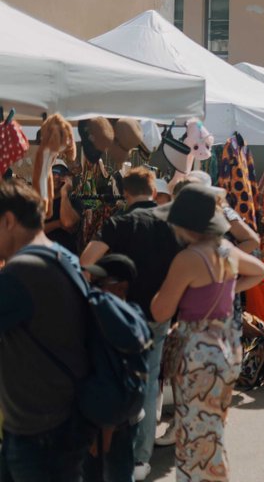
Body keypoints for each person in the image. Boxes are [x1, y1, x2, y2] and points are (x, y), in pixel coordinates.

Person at [150, 185, 264, 482]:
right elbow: (260, 271)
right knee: (212, 432)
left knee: (193, 439)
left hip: (196, 354)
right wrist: (229, 291)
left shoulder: (188, 259)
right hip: (225, 348)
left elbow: (160, 311)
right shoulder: (226, 251)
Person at [79, 167, 183, 481]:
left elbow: (85, 262)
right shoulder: (173, 226)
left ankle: (117, 453)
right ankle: (142, 458)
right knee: (151, 382)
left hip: (122, 316)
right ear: (153, 191)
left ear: (125, 194)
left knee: (119, 381)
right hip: (161, 313)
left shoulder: (119, 224)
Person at [0, 179, 91, 482]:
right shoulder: (61, 257)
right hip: (60, 424)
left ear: (9, 220)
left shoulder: (22, 272)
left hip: (39, 434)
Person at [81, 254, 139, 482]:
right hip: (120, 417)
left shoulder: (112, 323)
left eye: (98, 283)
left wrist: (102, 432)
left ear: (120, 287)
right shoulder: (129, 315)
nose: (92, 288)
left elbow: (112, 378)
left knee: (112, 473)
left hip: (108, 422)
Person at [43, 159, 85, 255]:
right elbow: (33, 230)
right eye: (54, 172)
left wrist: (64, 193)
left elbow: (67, 222)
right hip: (44, 257)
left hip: (67, 257)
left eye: (61, 173)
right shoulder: (40, 202)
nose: (57, 176)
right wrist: (57, 224)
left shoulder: (75, 201)